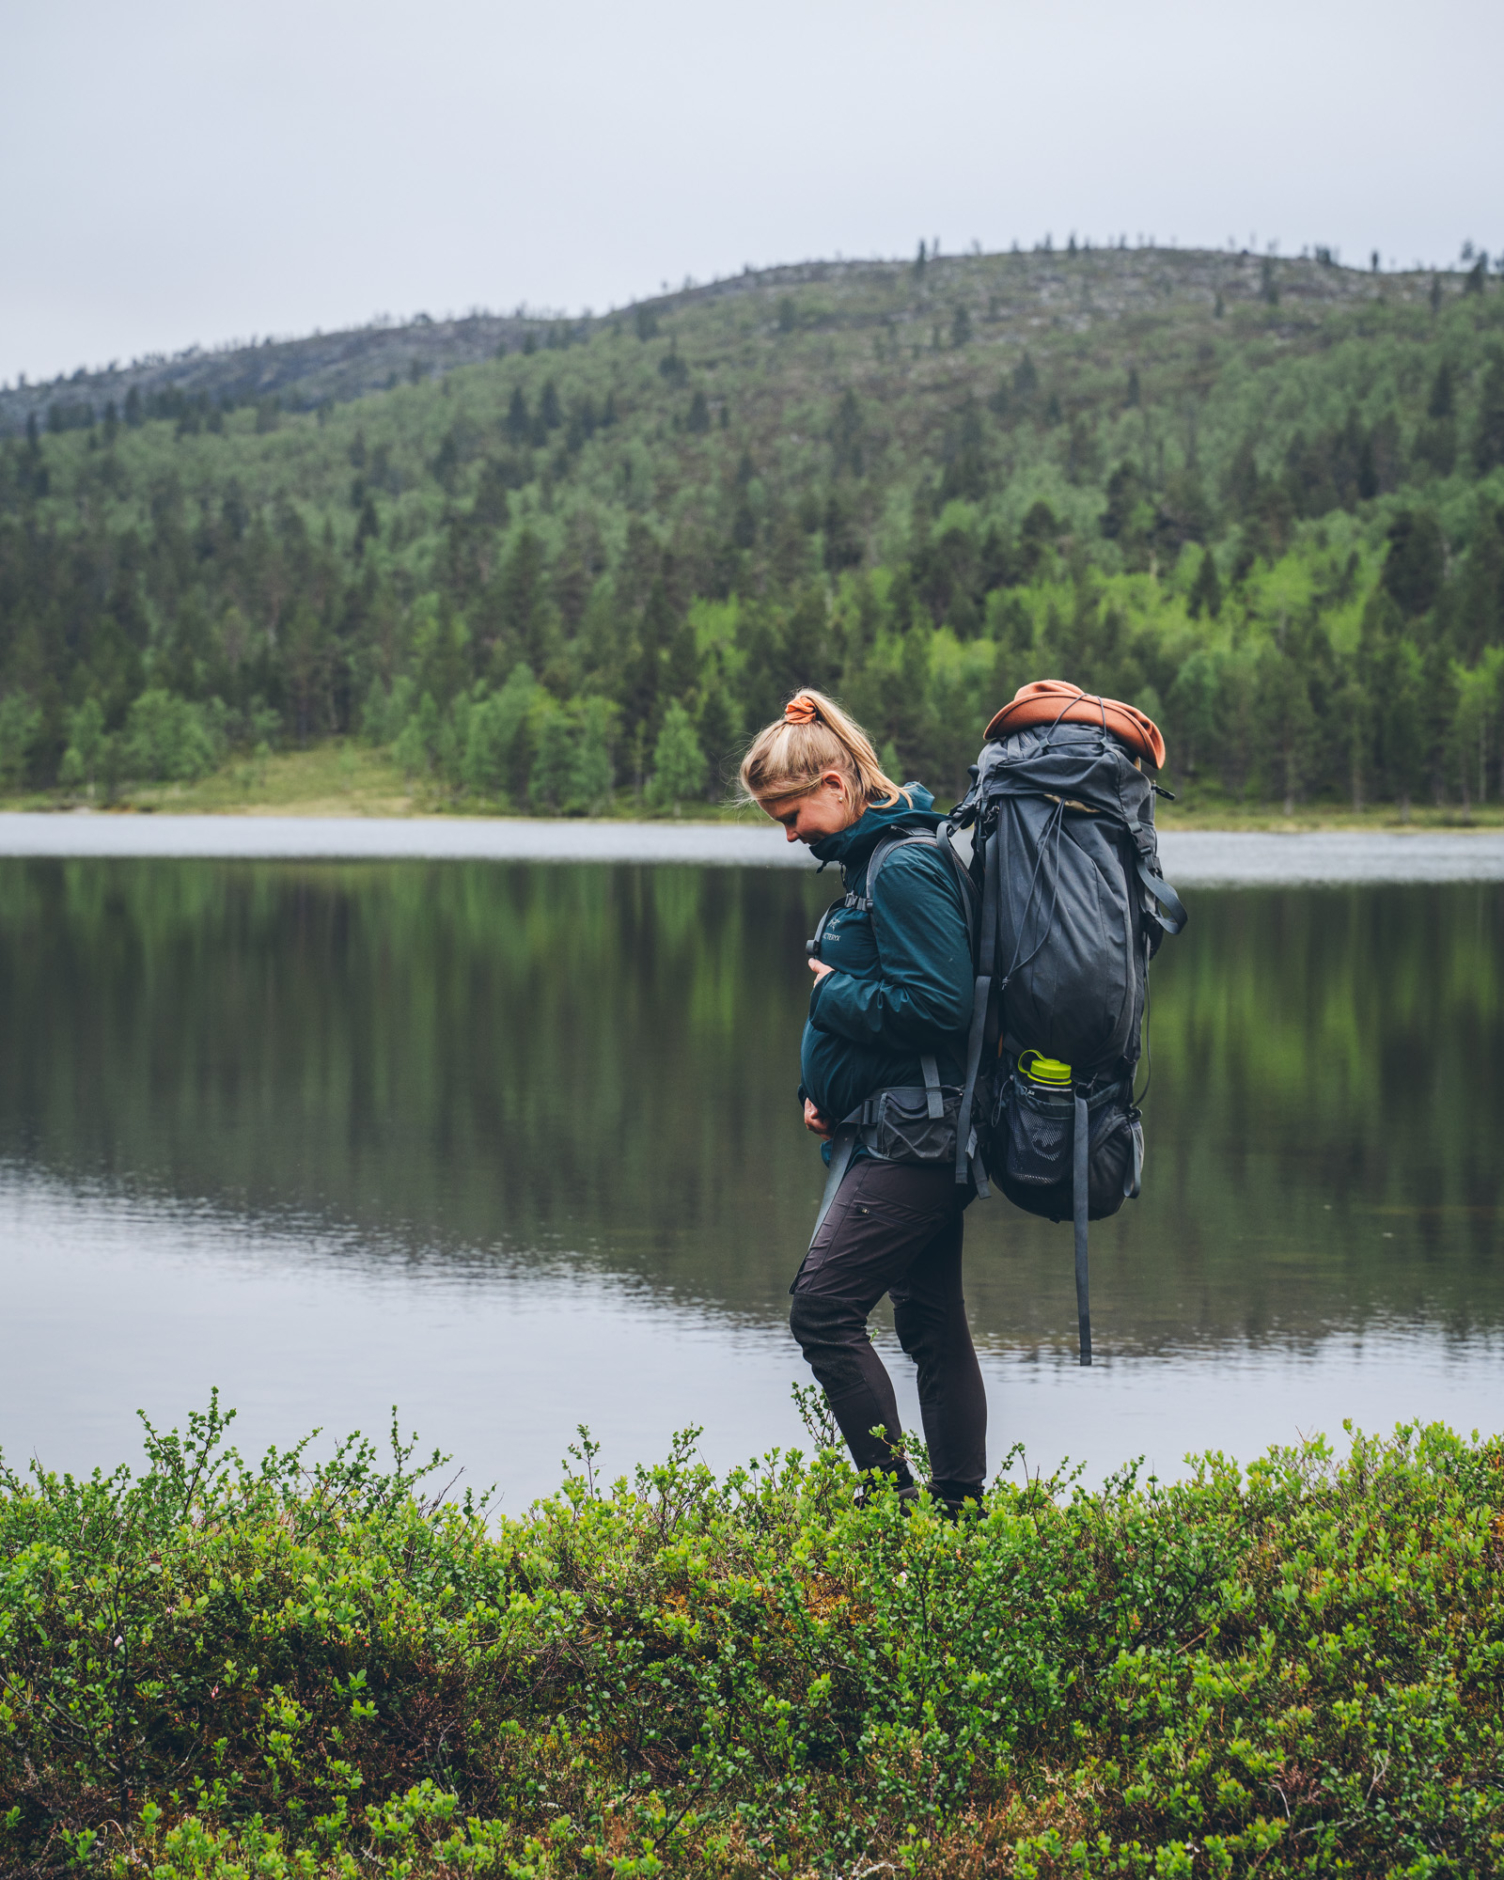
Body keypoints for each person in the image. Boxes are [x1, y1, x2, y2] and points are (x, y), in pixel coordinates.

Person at [741, 689, 986, 1513]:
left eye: (790, 811)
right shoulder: (871, 862)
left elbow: (938, 1008)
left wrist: (831, 994)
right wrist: (824, 1091)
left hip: (918, 1135)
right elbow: (900, 1006)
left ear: (839, 786)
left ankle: (894, 1515)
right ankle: (960, 1514)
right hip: (893, 1125)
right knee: (928, 1322)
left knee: (823, 1311)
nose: (788, 833)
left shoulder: (906, 865)